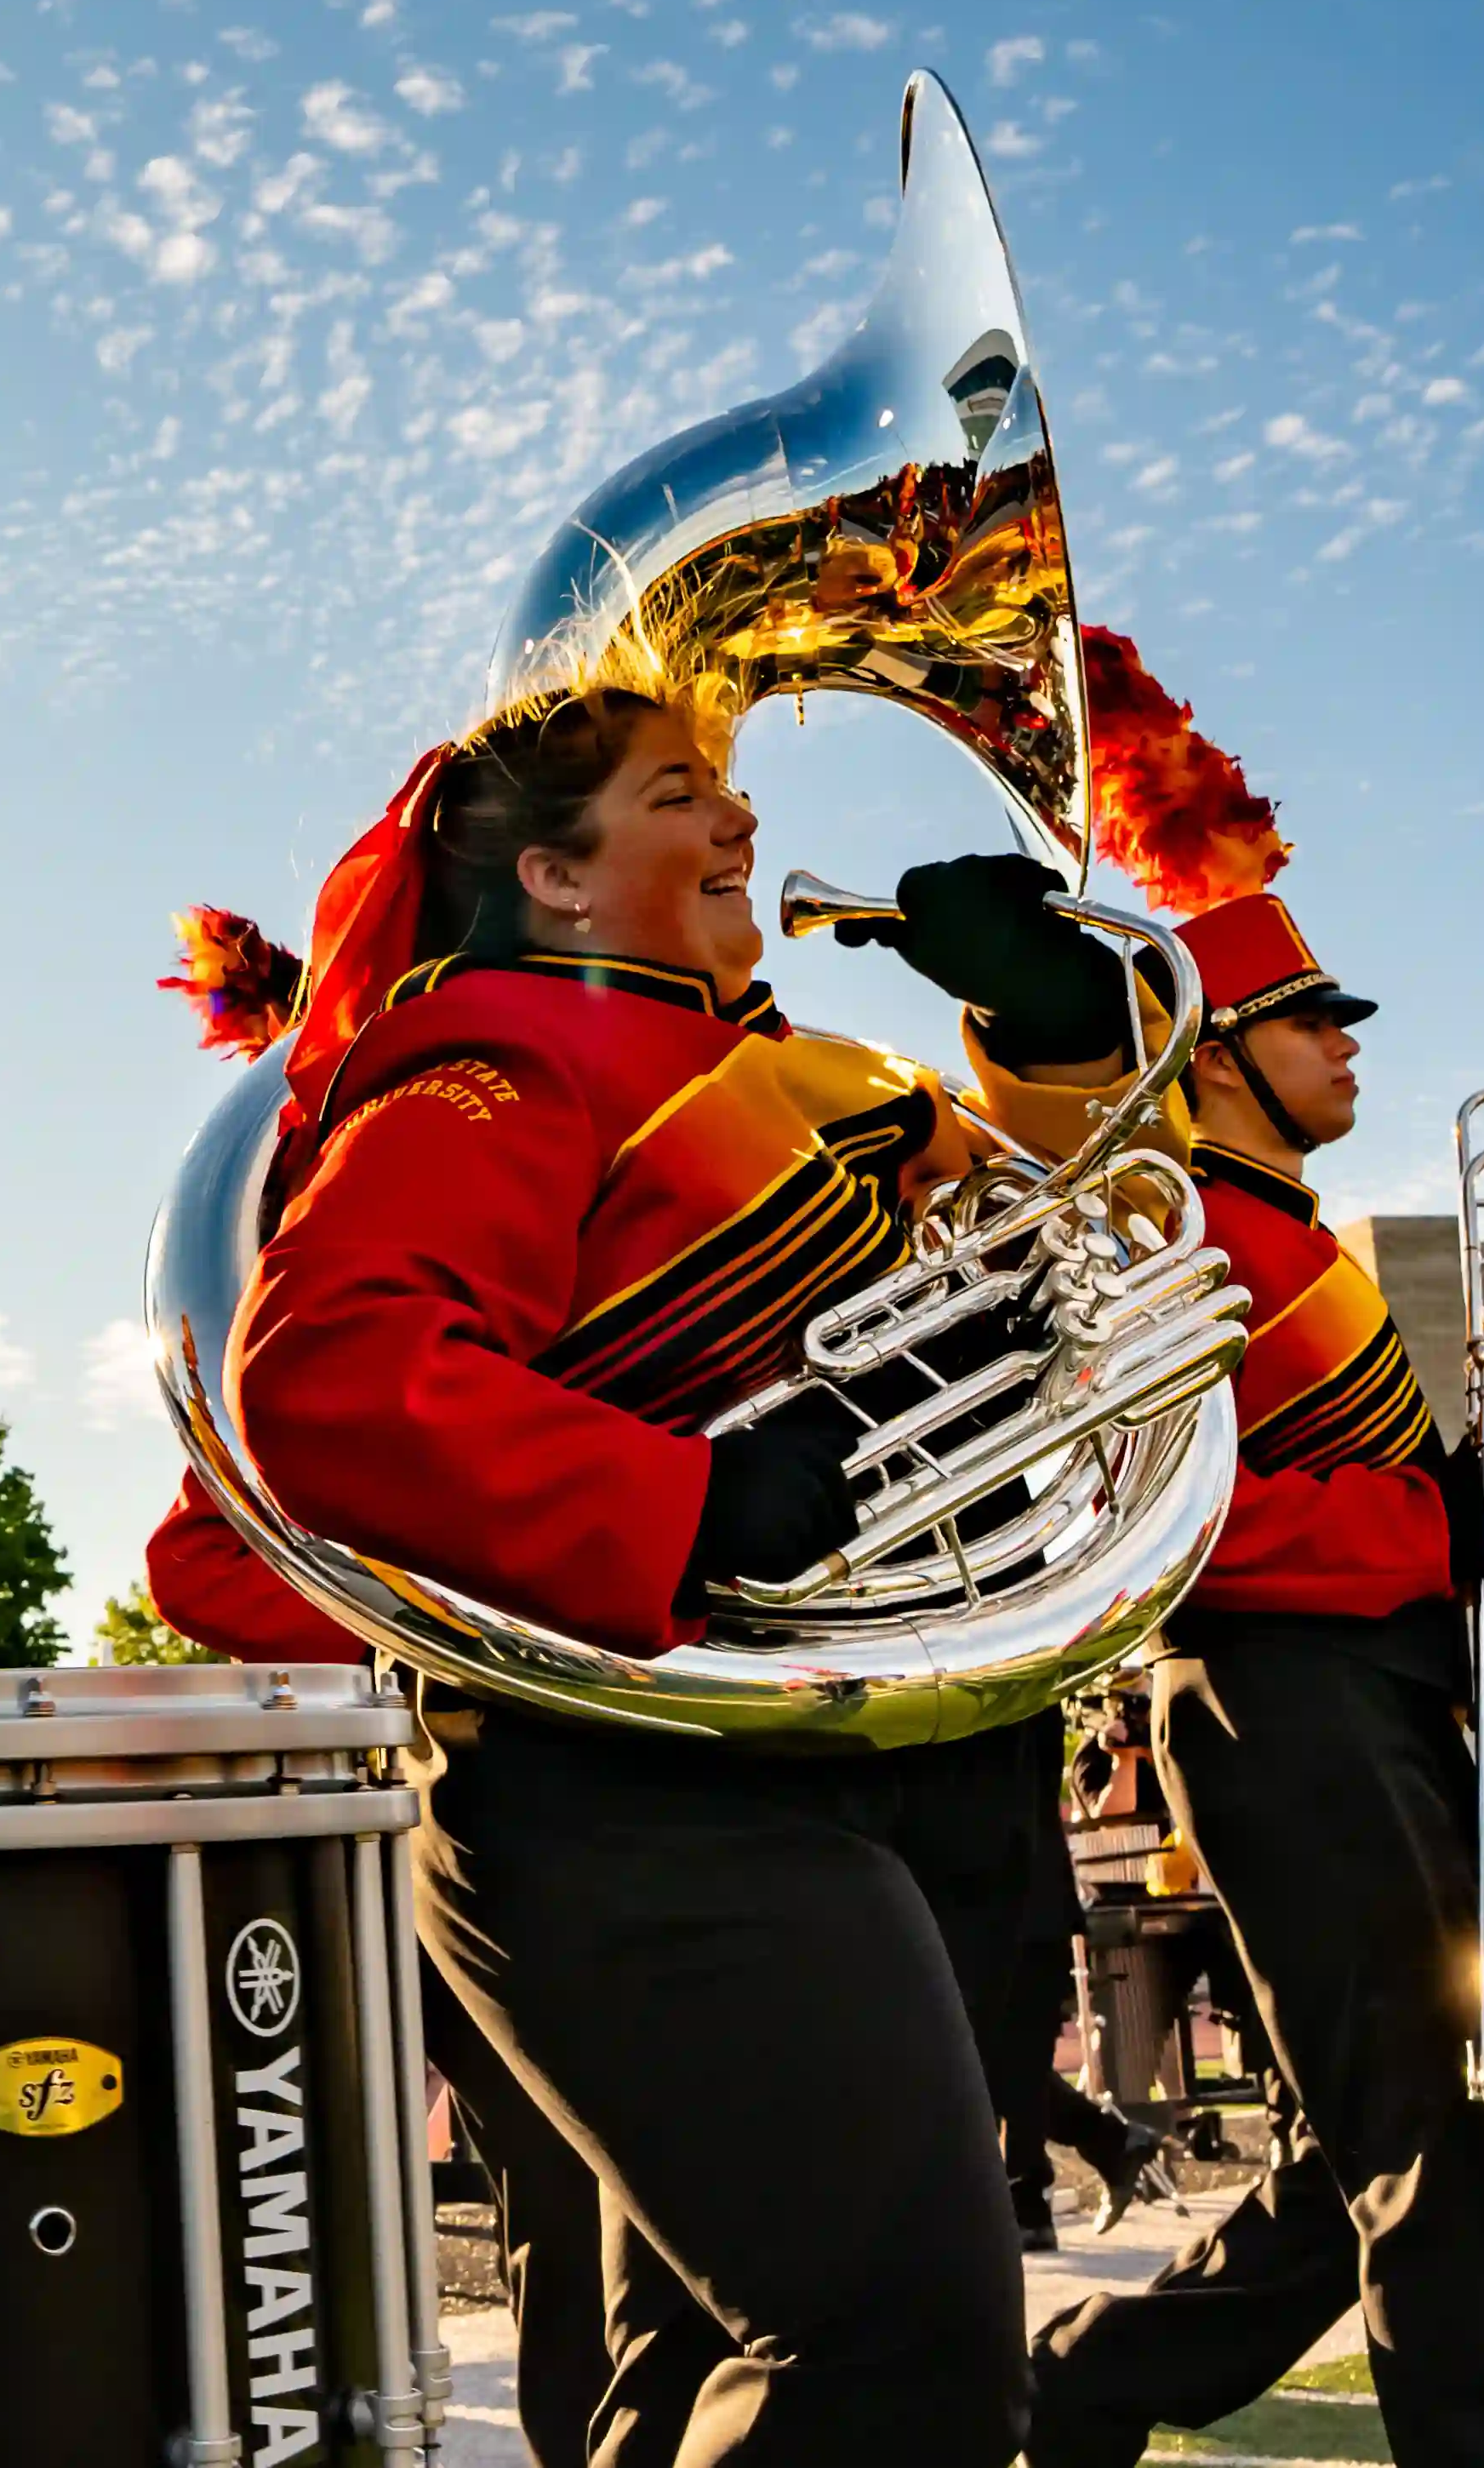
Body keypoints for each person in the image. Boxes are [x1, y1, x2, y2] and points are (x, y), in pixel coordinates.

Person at [168, 668, 1030, 2466]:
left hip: (776, 1749)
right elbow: (329, 1377)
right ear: (555, 881)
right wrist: (686, 1504)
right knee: (899, 2351)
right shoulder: (502, 1054)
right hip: (620, 1782)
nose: (739, 822)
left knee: (695, 2378)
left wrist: (1054, 1025)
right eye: (673, 797)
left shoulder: (751, 1070)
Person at [878, 635, 1484, 2468]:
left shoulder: (1292, 1227)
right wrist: (1437, 1520)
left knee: (1401, 2130)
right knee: (1428, 2135)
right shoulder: (1165, 1209)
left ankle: (1095, 2382)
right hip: (1280, 1704)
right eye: (1315, 1017)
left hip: (1378, 1700)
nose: (1352, 1040)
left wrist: (1467, 1500)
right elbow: (1165, 1522)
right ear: (1213, 1048)